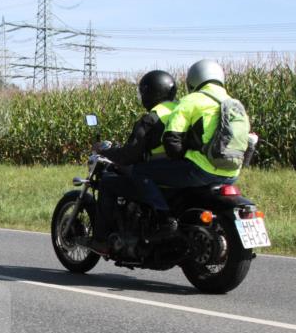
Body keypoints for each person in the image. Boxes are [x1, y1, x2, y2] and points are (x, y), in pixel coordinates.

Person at [130, 59, 243, 228]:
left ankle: (163, 218)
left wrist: (179, 156)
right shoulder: (235, 104)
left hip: (201, 170)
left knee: (140, 171)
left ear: (193, 80)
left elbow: (171, 140)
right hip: (232, 173)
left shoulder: (192, 100)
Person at [89, 70, 178, 253]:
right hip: (178, 172)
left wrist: (106, 151)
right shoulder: (181, 110)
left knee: (107, 183)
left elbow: (129, 155)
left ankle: (101, 241)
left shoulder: (152, 118)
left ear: (150, 92)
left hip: (155, 172)